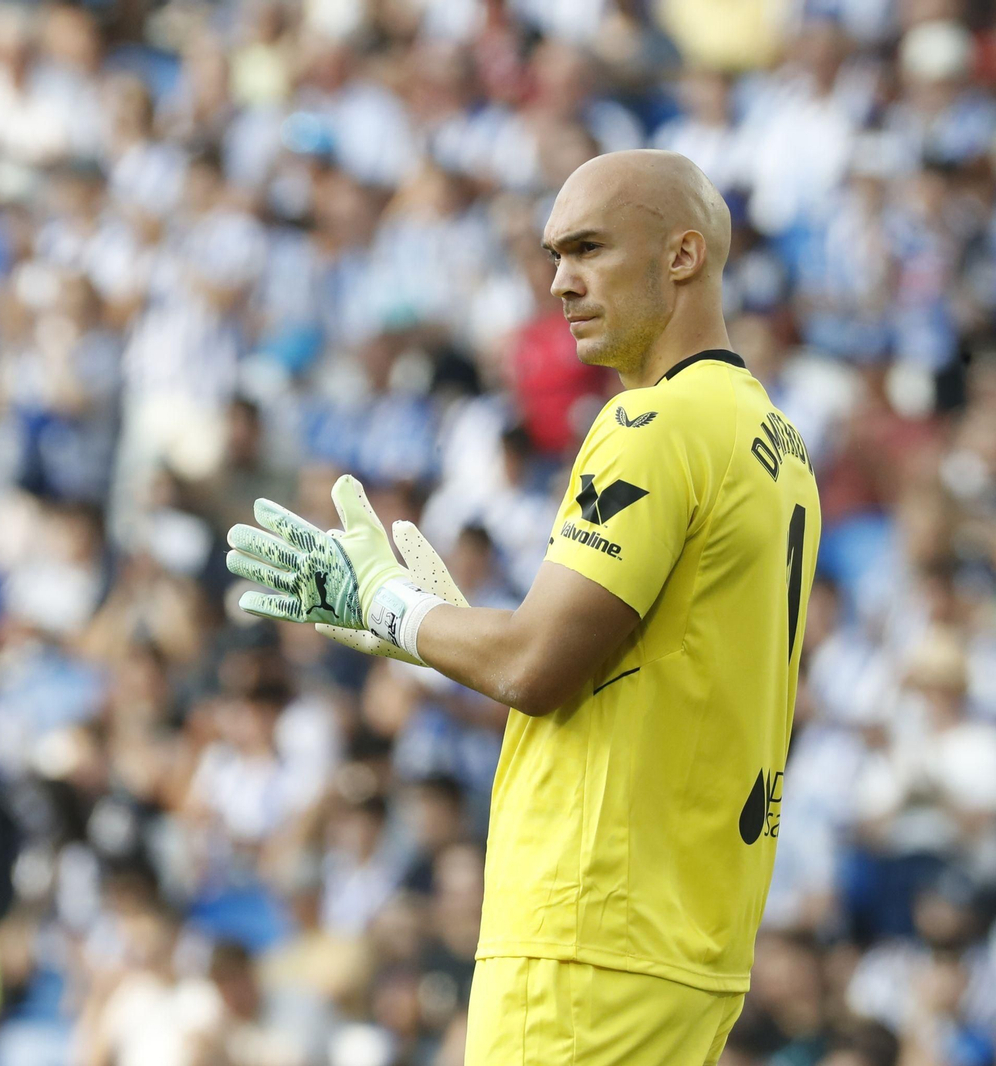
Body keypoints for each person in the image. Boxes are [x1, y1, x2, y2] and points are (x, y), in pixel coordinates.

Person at [224, 149, 823, 1065]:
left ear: (683, 255)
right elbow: (628, 660)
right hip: (692, 940)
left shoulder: (651, 424)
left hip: (589, 934)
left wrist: (389, 607)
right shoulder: (775, 441)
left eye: (588, 248)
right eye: (554, 255)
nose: (560, 283)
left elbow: (533, 666)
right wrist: (446, 628)